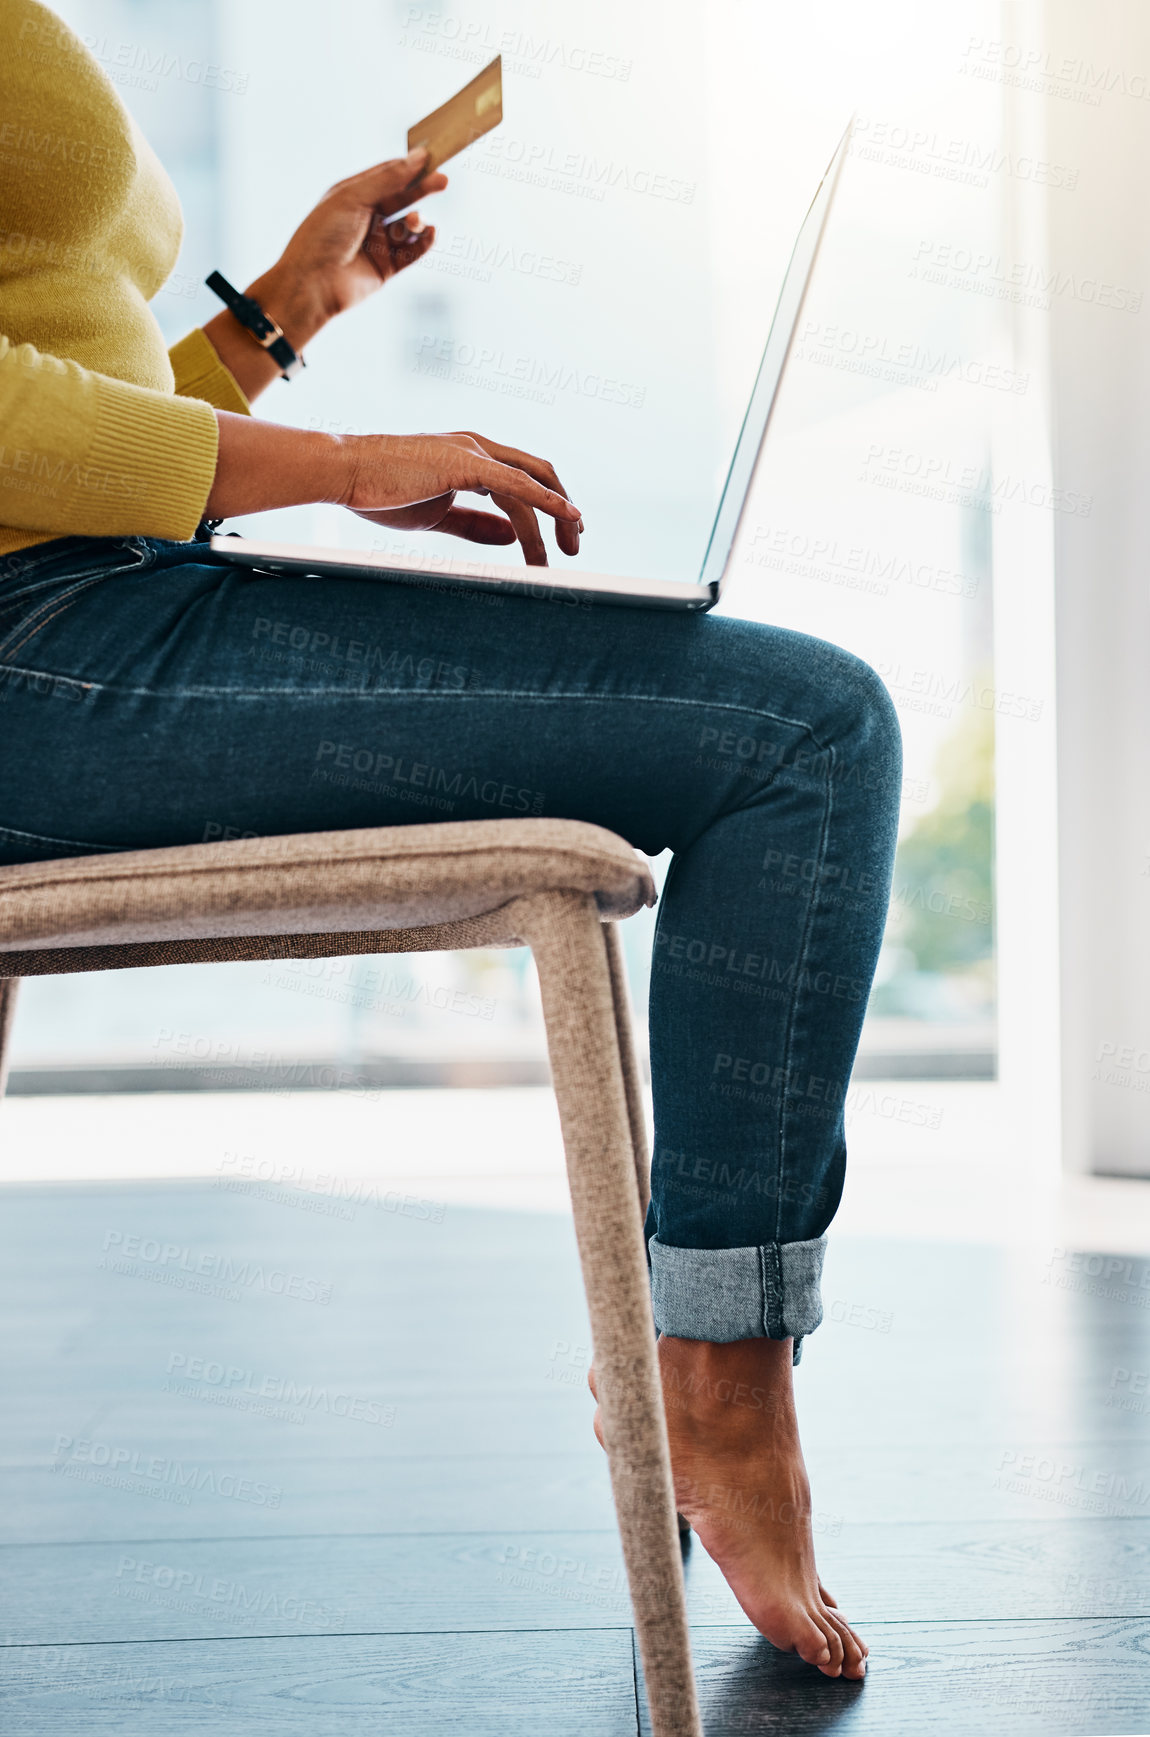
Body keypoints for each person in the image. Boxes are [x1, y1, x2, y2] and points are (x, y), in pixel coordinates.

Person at [1, 0, 900, 1682]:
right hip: (32, 657)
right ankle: (716, 1379)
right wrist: (331, 463)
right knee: (800, 732)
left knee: (799, 720)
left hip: (97, 599)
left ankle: (709, 1357)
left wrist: (285, 310)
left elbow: (62, 421)